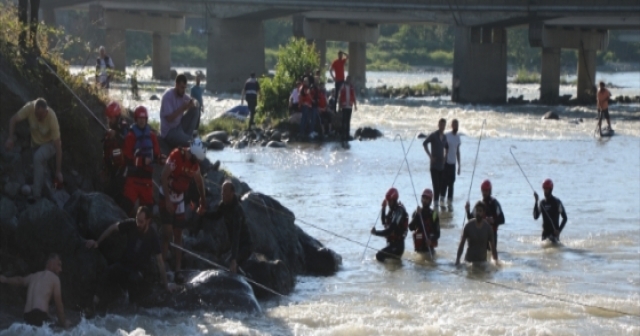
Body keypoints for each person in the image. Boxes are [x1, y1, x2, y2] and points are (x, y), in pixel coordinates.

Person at [85, 206, 177, 303]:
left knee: (134, 280)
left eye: (141, 222)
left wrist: (166, 285)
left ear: (148, 221)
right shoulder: (131, 224)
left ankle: (133, 309)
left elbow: (160, 262)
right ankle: (94, 303)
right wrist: (97, 242)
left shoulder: (152, 235)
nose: (138, 224)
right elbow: (113, 227)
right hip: (125, 265)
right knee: (109, 272)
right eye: (137, 220)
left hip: (139, 271)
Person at [160, 139, 207, 272]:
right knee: (167, 232)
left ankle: (178, 268)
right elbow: (163, 177)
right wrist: (168, 201)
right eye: (196, 159)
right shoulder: (176, 156)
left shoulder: (194, 166)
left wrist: (203, 200)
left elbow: (199, 182)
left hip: (179, 198)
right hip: (166, 195)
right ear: (192, 154)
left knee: (178, 234)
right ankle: (162, 267)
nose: (197, 163)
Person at [5, 99, 63, 200]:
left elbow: (58, 147)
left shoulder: (52, 118)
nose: (38, 117)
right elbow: (13, 120)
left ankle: (36, 196)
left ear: (46, 112)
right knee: (40, 172)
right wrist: (10, 138)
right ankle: (52, 190)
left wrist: (58, 171)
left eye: (41, 115)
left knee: (37, 158)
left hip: (50, 145)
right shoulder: (29, 108)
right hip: (36, 145)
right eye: (36, 114)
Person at [198, 181, 253, 274]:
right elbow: (216, 215)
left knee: (232, 264)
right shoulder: (223, 205)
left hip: (245, 246)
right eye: (222, 190)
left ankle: (246, 281)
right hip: (236, 247)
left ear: (232, 193)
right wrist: (204, 213)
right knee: (228, 264)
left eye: (225, 191)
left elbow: (236, 236)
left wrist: (234, 259)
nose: (222, 193)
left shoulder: (237, 211)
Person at [0, 253, 68, 328]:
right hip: (40, 316)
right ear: (52, 263)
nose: (60, 269)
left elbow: (20, 280)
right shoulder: (54, 278)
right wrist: (64, 323)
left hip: (27, 317)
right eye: (59, 265)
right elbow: (59, 305)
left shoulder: (33, 276)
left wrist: (5, 279)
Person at [121, 106, 162, 216]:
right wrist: (142, 161)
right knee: (125, 208)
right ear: (135, 119)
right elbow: (127, 158)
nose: (142, 120)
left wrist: (160, 159)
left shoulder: (152, 136)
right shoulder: (130, 136)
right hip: (133, 179)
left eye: (144, 118)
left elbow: (157, 154)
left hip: (147, 181)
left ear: (147, 119)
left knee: (148, 213)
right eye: (139, 118)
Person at [160, 74, 199, 149]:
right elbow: (169, 119)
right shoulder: (168, 96)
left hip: (179, 127)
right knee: (193, 143)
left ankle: (188, 137)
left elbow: (196, 102)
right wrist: (183, 108)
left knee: (195, 110)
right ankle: (188, 140)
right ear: (176, 85)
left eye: (185, 88)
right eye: (182, 88)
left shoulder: (183, 95)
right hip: (169, 131)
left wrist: (193, 103)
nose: (183, 91)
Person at [370, 188, 408, 262]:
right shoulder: (392, 210)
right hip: (391, 244)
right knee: (391, 264)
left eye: (390, 201)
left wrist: (376, 233)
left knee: (379, 256)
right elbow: (384, 222)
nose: (388, 203)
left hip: (398, 246)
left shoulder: (399, 211)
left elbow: (390, 230)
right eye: (388, 201)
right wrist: (383, 208)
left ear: (394, 200)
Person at [465, 180, 505, 250]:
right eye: (483, 190)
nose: (484, 193)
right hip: (481, 233)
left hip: (492, 234)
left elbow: (502, 219)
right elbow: (470, 219)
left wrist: (493, 221)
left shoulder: (494, 203)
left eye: (486, 191)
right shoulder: (479, 204)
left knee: (491, 253)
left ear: (490, 191)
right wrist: (467, 210)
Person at [102, 101, 129, 204]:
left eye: (111, 118)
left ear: (117, 116)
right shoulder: (109, 131)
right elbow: (105, 150)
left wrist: (117, 135)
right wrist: (104, 168)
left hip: (124, 166)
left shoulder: (124, 127)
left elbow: (127, 142)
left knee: (115, 190)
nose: (109, 120)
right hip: (112, 167)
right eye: (108, 118)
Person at [423, 118, 448, 208]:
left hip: (441, 166)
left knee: (441, 185)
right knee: (435, 185)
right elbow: (424, 143)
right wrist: (430, 156)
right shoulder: (433, 135)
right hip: (434, 166)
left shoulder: (445, 137)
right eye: (441, 125)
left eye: (444, 125)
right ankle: (435, 204)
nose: (442, 127)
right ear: (438, 125)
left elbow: (447, 147)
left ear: (445, 126)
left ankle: (438, 202)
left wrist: (445, 157)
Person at [533, 179, 567, 243]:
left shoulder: (557, 202)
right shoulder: (542, 203)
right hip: (544, 235)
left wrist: (559, 231)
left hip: (554, 235)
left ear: (551, 189)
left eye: (547, 189)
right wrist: (536, 201)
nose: (545, 191)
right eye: (544, 189)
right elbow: (535, 217)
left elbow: (565, 218)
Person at [409, 188, 440, 254]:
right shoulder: (416, 212)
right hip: (419, 249)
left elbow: (438, 234)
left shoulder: (434, 214)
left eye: (427, 199)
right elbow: (411, 227)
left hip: (429, 249)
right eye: (424, 198)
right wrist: (417, 215)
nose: (425, 201)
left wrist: (431, 239)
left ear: (430, 201)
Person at [442, 119, 461, 208]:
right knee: (444, 183)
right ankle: (442, 200)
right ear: (451, 126)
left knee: (452, 184)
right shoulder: (447, 136)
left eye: (457, 125)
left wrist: (459, 165)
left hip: (453, 164)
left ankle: (449, 202)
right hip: (446, 163)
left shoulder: (458, 137)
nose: (456, 127)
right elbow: (443, 149)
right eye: (454, 125)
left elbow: (457, 151)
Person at [337, 75, 357, 149]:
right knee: (343, 121)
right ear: (346, 79)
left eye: (350, 79)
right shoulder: (343, 86)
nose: (349, 80)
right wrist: (339, 106)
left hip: (350, 106)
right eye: (348, 79)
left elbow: (354, 96)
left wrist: (355, 105)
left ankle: (347, 135)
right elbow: (339, 96)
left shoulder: (352, 87)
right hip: (344, 106)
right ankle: (343, 135)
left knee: (348, 121)